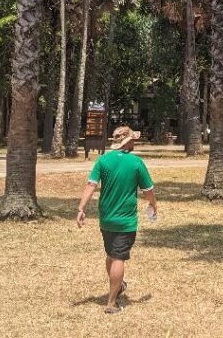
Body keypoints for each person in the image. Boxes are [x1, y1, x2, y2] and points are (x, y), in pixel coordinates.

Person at [76, 125, 157, 314]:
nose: (135, 143)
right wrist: (153, 204)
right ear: (129, 142)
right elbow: (148, 191)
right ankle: (111, 303)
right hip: (126, 220)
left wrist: (81, 208)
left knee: (112, 254)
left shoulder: (103, 160)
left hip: (106, 218)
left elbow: (91, 185)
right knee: (119, 257)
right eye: (133, 140)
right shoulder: (136, 163)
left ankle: (117, 286)